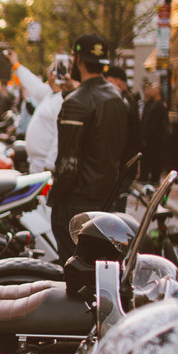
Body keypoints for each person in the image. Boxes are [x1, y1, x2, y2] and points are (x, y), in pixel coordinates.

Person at [48, 33, 128, 262]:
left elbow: (67, 163)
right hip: (106, 197)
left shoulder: (77, 101)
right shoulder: (116, 96)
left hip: (77, 201)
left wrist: (54, 198)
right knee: (97, 266)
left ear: (78, 59)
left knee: (75, 267)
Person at [5, 49, 77, 174]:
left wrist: (50, 165)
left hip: (46, 166)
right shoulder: (49, 94)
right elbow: (32, 83)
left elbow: (60, 136)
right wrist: (16, 64)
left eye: (53, 70)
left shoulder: (64, 101)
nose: (49, 73)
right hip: (36, 163)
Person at [104, 64, 142, 203]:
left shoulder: (122, 101)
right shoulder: (126, 99)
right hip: (125, 162)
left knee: (117, 203)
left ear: (117, 81)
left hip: (123, 163)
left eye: (108, 80)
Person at [139, 79, 168, 182]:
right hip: (151, 137)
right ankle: (148, 177)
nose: (151, 90)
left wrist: (146, 136)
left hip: (155, 138)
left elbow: (154, 123)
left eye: (153, 88)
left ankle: (154, 178)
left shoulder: (159, 105)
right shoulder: (151, 103)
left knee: (154, 158)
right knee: (149, 158)